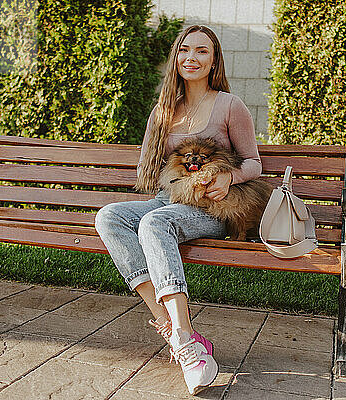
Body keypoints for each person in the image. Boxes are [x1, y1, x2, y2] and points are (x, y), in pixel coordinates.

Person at [95, 25, 262, 395]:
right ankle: (169, 326)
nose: (192, 57)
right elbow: (147, 169)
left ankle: (187, 343)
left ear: (214, 59)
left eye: (202, 51)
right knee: (109, 216)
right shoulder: (165, 108)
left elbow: (254, 163)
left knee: (154, 223)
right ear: (176, 58)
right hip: (168, 200)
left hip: (214, 208)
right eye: (184, 50)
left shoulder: (230, 105)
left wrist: (227, 179)